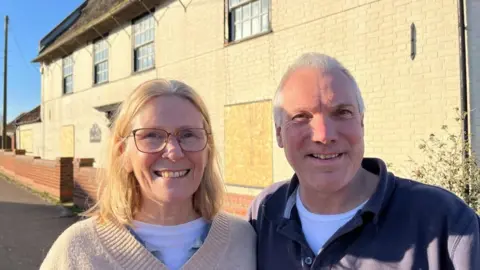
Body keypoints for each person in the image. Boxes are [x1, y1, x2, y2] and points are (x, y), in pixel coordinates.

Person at [248, 52, 479, 269]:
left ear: (362, 123)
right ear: (279, 133)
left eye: (342, 113)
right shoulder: (266, 213)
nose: (324, 135)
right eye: (300, 117)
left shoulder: (448, 223)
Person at [41, 79, 256, 270]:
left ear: (208, 149)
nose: (174, 152)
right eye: (152, 135)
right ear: (123, 154)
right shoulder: (79, 250)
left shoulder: (244, 240)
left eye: (188, 134)